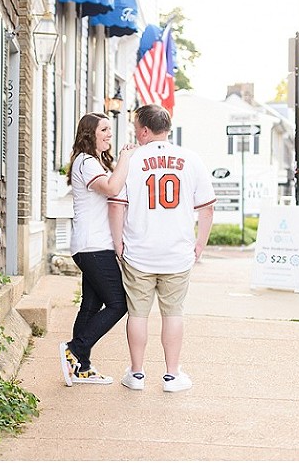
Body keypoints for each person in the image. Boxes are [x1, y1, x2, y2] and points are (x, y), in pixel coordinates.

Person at [108, 104, 216, 393]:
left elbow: (117, 207)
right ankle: (171, 375)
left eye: (135, 128)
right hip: (177, 253)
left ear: (144, 130)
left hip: (139, 252)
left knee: (138, 314)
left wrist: (117, 242)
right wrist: (200, 244)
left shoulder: (131, 160)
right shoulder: (191, 159)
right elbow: (207, 208)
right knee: (173, 314)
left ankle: (137, 373)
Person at [59, 112, 134, 386]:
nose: (109, 135)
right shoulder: (87, 162)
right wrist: (126, 158)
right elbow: (113, 188)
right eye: (104, 130)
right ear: (90, 133)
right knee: (119, 302)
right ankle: (75, 350)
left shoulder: (90, 161)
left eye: (110, 131)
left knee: (91, 305)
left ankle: (81, 367)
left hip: (90, 245)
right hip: (94, 245)